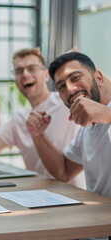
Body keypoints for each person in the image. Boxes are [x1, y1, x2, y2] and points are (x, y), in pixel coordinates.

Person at [0, 47, 86, 188]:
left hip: (74, 195)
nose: (25, 74)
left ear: (46, 75)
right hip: (37, 196)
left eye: (32, 68)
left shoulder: (67, 102)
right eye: (19, 71)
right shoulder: (19, 119)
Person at [26, 52, 111, 199]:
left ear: (98, 78)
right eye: (61, 87)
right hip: (97, 215)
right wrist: (38, 135)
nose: (70, 89)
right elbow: (63, 171)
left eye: (75, 78)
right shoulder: (86, 129)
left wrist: (107, 114)